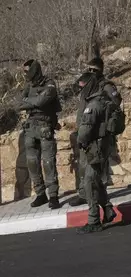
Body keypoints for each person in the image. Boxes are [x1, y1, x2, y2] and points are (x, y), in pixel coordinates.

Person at [69, 57, 121, 208]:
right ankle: (84, 194)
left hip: (98, 134)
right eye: (89, 69)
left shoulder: (106, 86)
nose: (91, 72)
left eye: (94, 70)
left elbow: (115, 104)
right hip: (85, 131)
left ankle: (100, 198)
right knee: (83, 165)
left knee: (98, 168)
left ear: (101, 70)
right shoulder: (87, 84)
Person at [75, 71, 117, 234]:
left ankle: (94, 220)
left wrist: (80, 140)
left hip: (95, 148)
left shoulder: (92, 106)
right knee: (97, 181)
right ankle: (107, 209)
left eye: (82, 87)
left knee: (89, 182)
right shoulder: (102, 100)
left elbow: (84, 131)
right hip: (102, 146)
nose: (81, 90)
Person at [18, 59, 61, 209]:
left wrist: (29, 101)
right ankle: (40, 194)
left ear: (35, 70)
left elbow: (43, 101)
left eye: (27, 71)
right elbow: (18, 103)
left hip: (45, 126)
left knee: (48, 162)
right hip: (30, 128)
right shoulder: (28, 85)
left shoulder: (49, 83)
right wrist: (33, 101)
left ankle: (54, 196)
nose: (25, 74)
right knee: (32, 162)